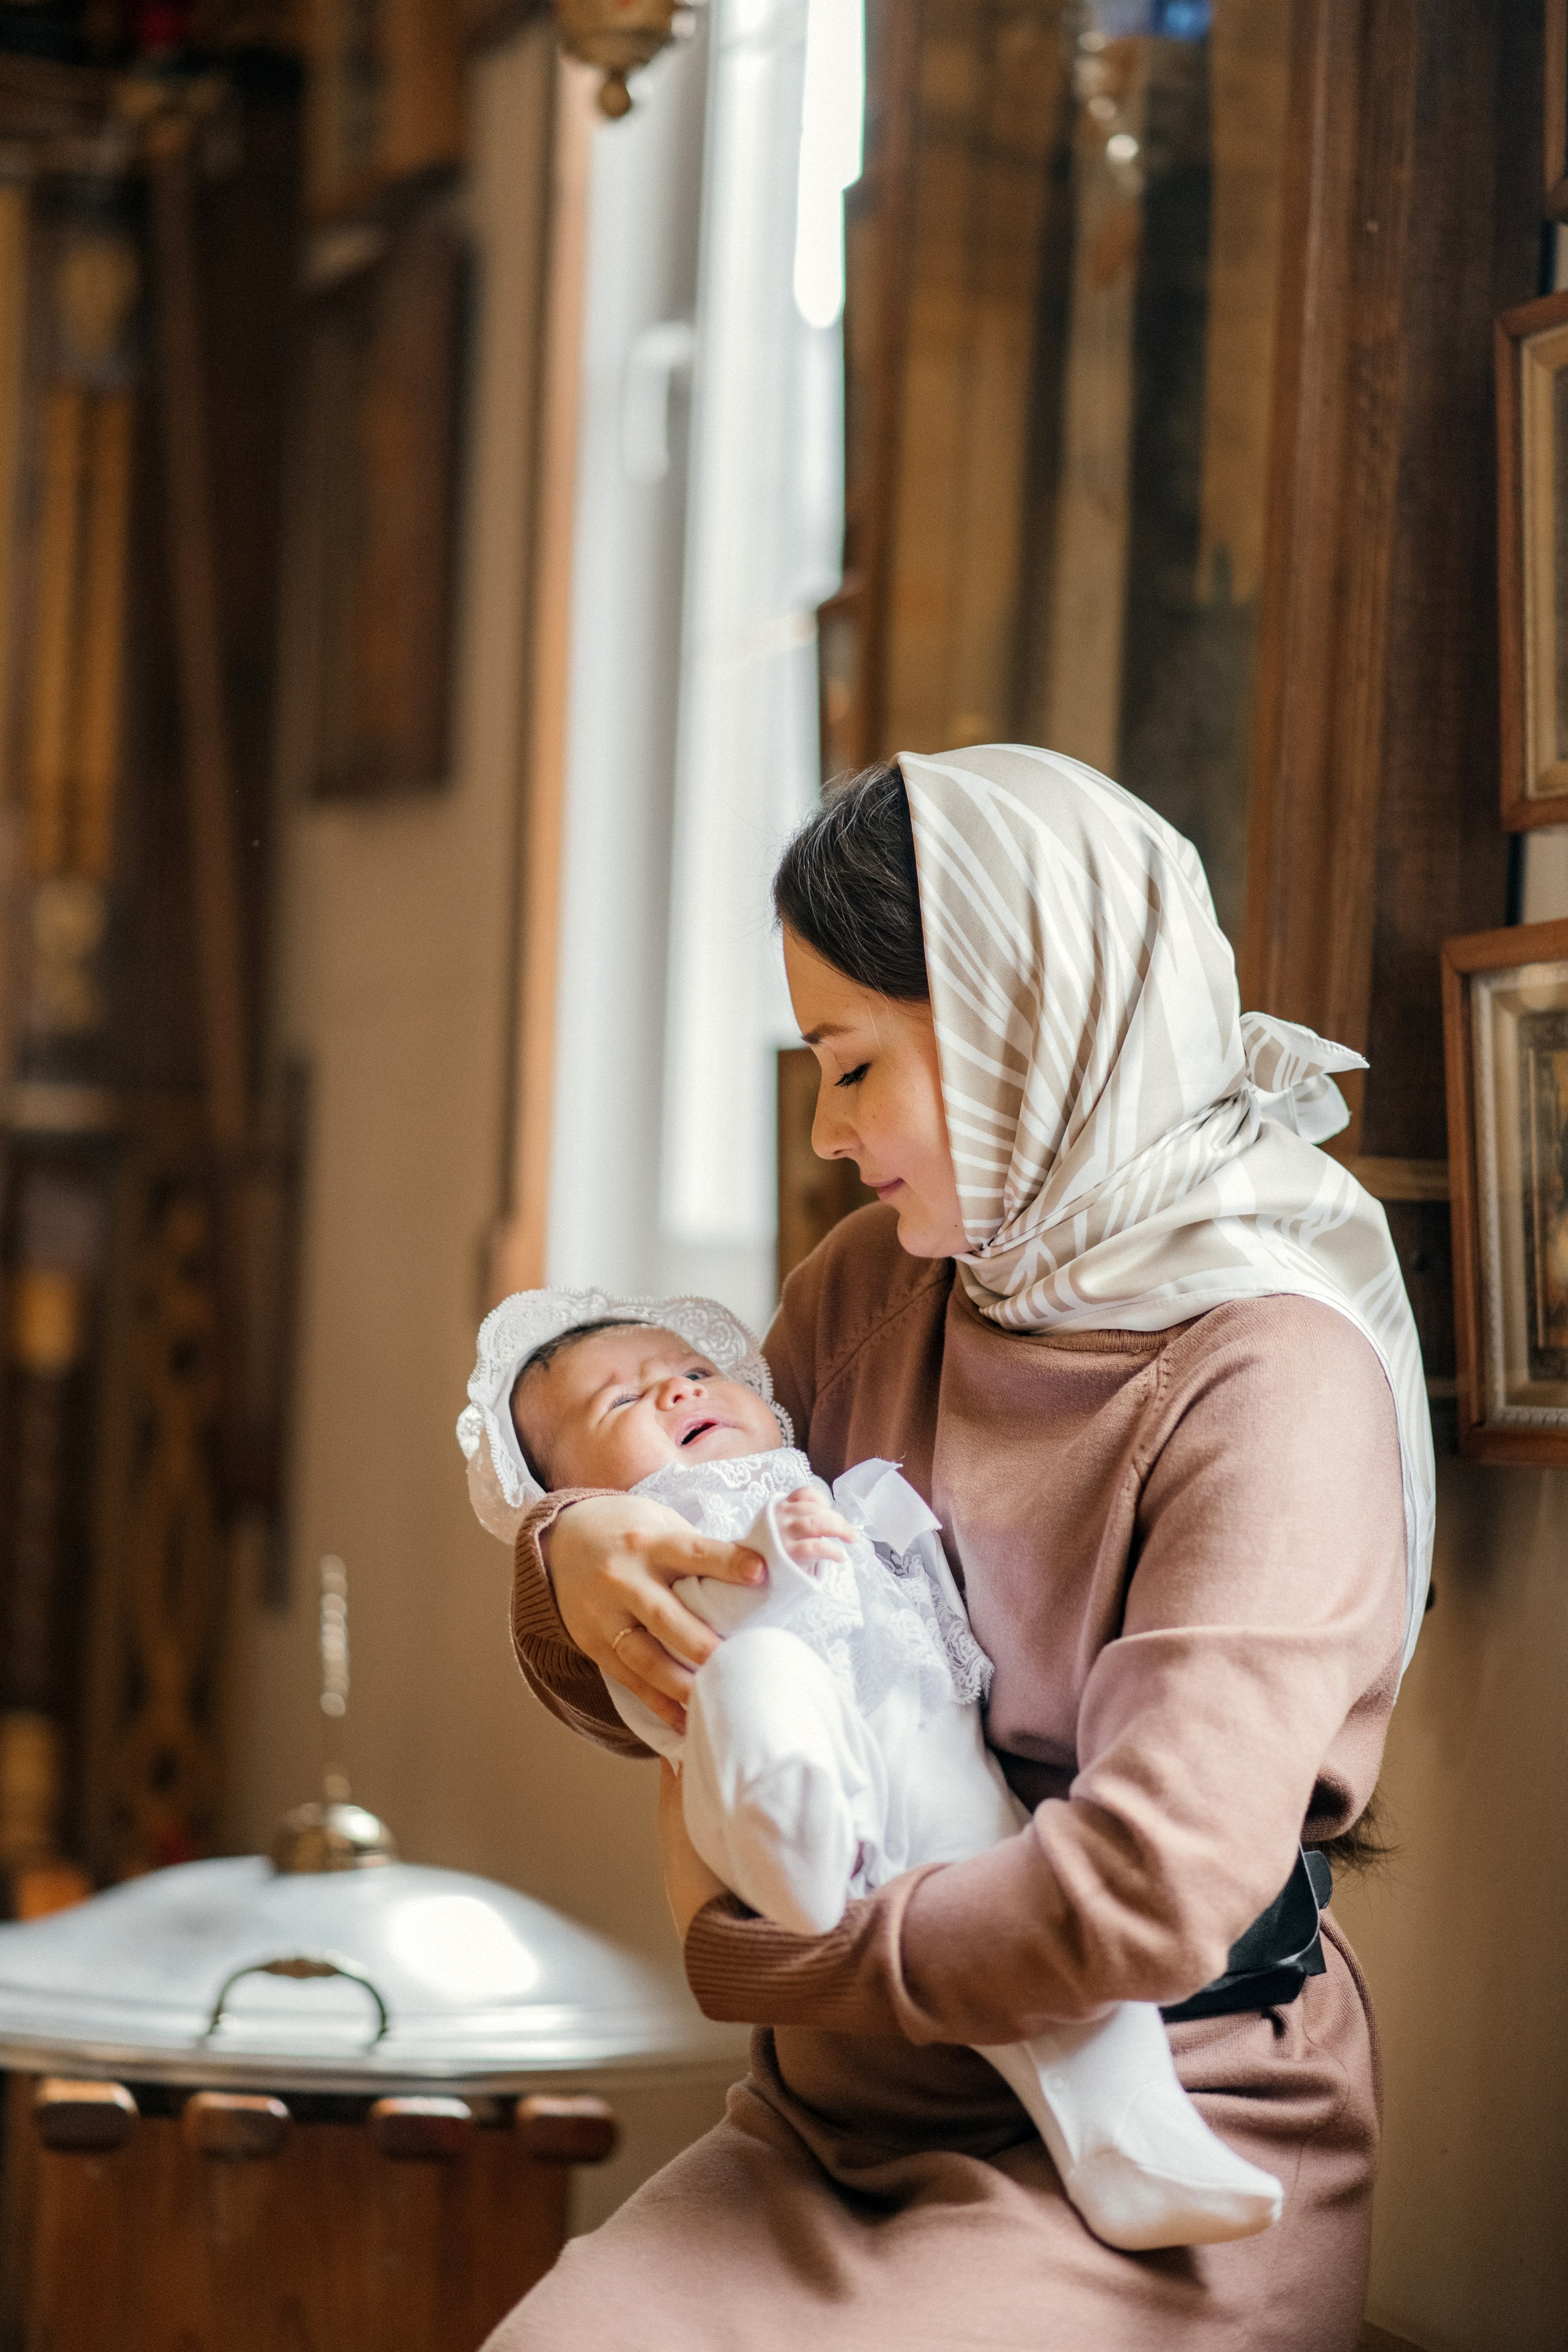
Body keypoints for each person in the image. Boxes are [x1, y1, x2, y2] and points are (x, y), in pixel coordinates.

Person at [483, 746, 1433, 2351]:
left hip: (1160, 2143)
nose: (828, 1132)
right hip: (830, 2135)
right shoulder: (876, 1288)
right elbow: (692, 1592)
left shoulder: (1271, 1381)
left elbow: (1141, 1895)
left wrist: (758, 1959)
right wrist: (569, 1551)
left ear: (1016, 1032)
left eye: (854, 1066)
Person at [458, 1297, 1286, 2249]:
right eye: (620, 1404)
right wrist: (620, 1547)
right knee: (755, 1680)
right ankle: (801, 1844)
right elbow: (699, 1619)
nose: (676, 1387)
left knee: (1051, 1972)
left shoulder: (825, 1483)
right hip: (787, 1763)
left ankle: (1140, 2151)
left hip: (935, 1752)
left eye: (690, 1366)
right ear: (568, 1493)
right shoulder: (653, 1542)